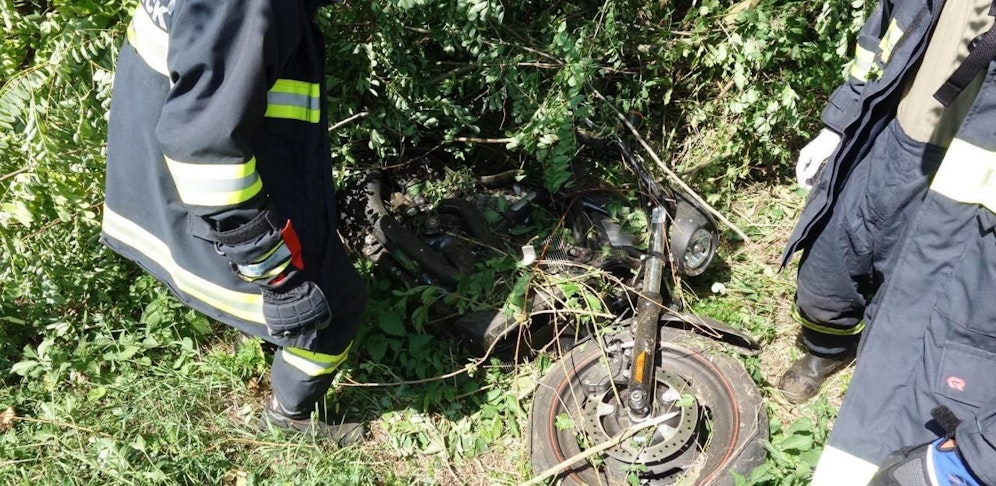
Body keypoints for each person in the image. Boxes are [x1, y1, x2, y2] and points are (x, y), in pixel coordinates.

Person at [100, 0, 368, 445]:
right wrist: (277, 278)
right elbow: (204, 148)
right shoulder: (247, 7)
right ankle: (289, 416)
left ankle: (261, 331)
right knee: (334, 305)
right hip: (191, 193)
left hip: (154, 168)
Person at [799, 0, 996, 482]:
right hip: (895, 129)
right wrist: (837, 122)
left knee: (912, 306)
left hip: (966, 178)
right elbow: (885, 26)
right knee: (830, 264)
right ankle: (825, 350)